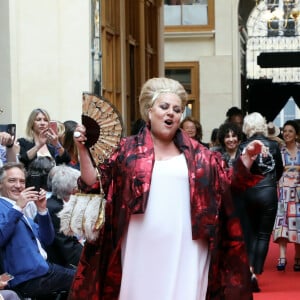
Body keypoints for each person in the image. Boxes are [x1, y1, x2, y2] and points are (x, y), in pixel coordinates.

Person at [69, 77, 268, 300]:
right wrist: (83, 150)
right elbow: (94, 183)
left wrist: (247, 159)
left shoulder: (201, 154)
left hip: (189, 245)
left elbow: (227, 184)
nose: (170, 113)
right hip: (139, 244)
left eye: (177, 109)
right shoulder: (126, 150)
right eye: (164, 107)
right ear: (149, 111)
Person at [0, 162, 76, 298]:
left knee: (85, 276)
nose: (18, 185)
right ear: (0, 184)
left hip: (43, 270)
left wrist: (42, 210)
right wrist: (17, 208)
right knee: (85, 279)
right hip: (27, 277)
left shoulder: (21, 209)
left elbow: (47, 239)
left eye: (22, 181)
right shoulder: (11, 208)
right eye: (12, 181)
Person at [239, 112, 283, 292]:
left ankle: (249, 271)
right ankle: (256, 271)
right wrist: (271, 182)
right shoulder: (274, 145)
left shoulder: (243, 145)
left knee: (250, 233)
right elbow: (279, 169)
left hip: (248, 192)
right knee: (264, 234)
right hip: (268, 192)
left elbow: (239, 172)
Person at [273, 120, 300, 272]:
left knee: (298, 225)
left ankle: (298, 257)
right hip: (283, 192)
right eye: (285, 131)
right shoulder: (280, 151)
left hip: (298, 194)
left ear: (296, 134)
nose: (287, 134)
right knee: (282, 224)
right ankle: (282, 257)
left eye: (290, 131)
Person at [45, 165, 83, 268]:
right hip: (57, 264)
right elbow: (68, 248)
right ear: (73, 189)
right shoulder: (56, 210)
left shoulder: (55, 204)